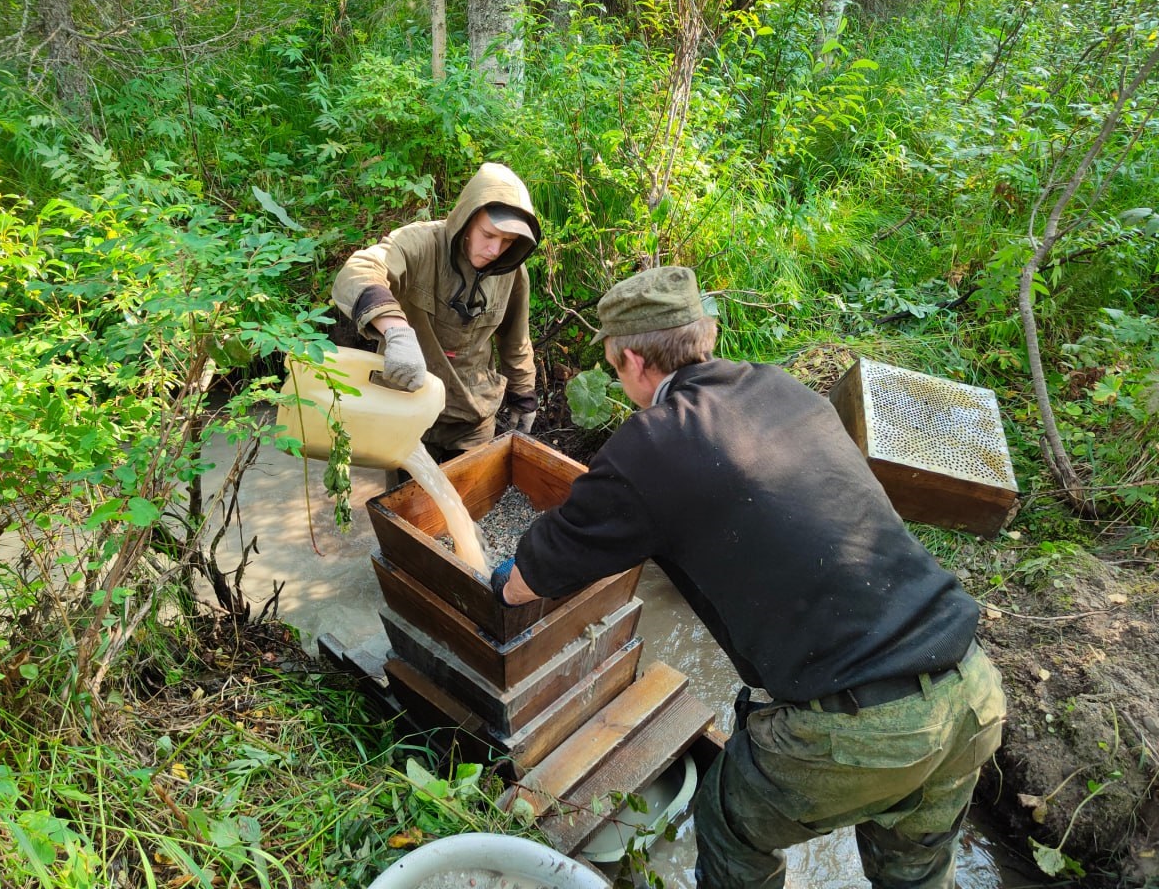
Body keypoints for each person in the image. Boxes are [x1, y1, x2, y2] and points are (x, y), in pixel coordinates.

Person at [490, 266, 1006, 889]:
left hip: (860, 728)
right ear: (702, 337)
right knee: (916, 870)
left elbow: (536, 573)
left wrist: (502, 584)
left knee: (732, 826)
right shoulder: (780, 388)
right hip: (970, 690)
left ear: (630, 359)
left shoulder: (653, 443)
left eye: (611, 364)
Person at [331, 163, 541, 470]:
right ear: (467, 218)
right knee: (408, 505)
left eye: (508, 241)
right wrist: (397, 332)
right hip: (408, 404)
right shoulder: (419, 245)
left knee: (468, 503)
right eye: (488, 234)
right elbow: (358, 272)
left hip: (472, 412)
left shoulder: (512, 273)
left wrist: (523, 394)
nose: (495, 249)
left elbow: (515, 338)